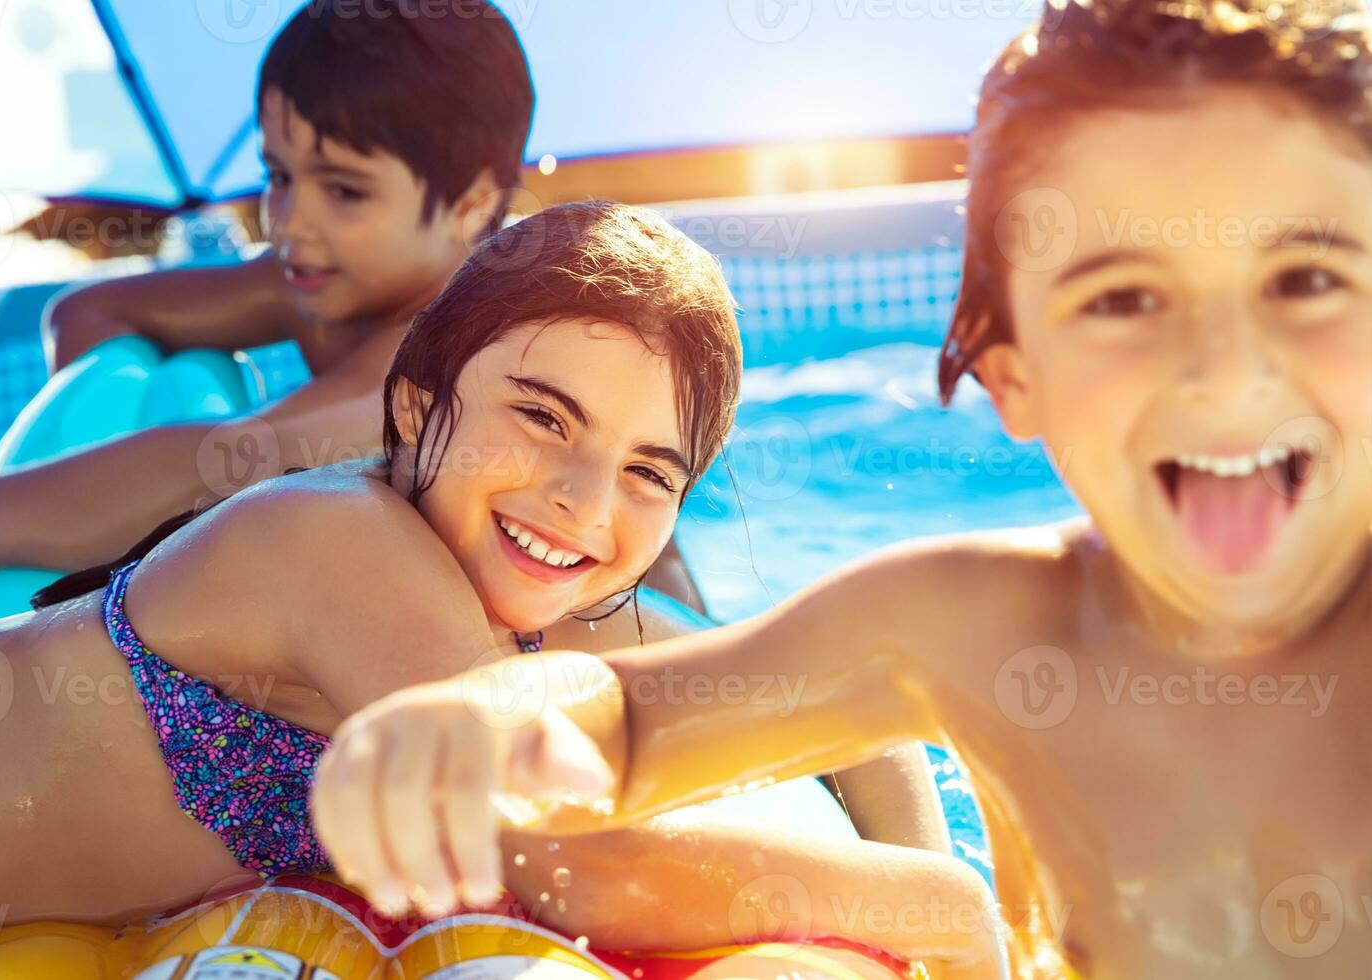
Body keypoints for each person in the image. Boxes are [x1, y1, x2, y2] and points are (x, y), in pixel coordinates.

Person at [311, 3, 1372, 976]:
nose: (1224, 369)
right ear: (1015, 378)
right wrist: (484, 713)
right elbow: (631, 721)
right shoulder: (968, 621)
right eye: (1125, 297)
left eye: (1307, 279)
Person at [0, 204, 1003, 977]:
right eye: (543, 417)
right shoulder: (338, 546)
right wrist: (938, 910)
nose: (581, 503)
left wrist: (943, 871)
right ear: (411, 406)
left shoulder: (530, 583)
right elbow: (574, 866)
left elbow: (810, 687)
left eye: (649, 471)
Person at [0, 0, 705, 625]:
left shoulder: (469, 350)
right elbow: (93, 312)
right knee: (176, 374)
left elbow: (254, 463)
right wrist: (116, 427)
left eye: (344, 190)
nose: (289, 222)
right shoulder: (319, 278)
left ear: (472, 207)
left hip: (612, 608)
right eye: (279, 176)